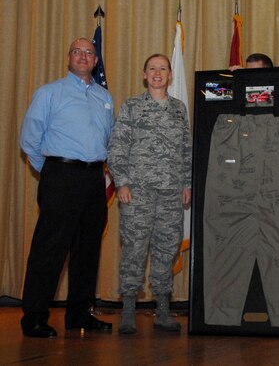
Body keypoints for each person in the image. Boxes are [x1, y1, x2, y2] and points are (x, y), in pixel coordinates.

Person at [19, 37, 114, 338]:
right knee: (49, 249)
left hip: (94, 178)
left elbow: (109, 141)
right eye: (77, 51)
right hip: (61, 175)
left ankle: (79, 315)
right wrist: (51, 171)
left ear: (96, 61)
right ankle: (34, 316)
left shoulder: (104, 98)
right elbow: (29, 139)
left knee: (88, 250)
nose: (84, 56)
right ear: (68, 58)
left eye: (89, 52)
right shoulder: (49, 93)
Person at [107, 54, 192, 334]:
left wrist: (186, 183)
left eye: (163, 69)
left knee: (166, 250)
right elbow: (117, 146)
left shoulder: (179, 109)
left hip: (171, 192)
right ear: (144, 75)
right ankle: (129, 309)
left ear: (169, 75)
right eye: (152, 68)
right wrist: (122, 182)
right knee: (134, 248)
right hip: (138, 192)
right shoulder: (131, 106)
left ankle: (163, 310)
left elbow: (186, 151)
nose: (158, 73)